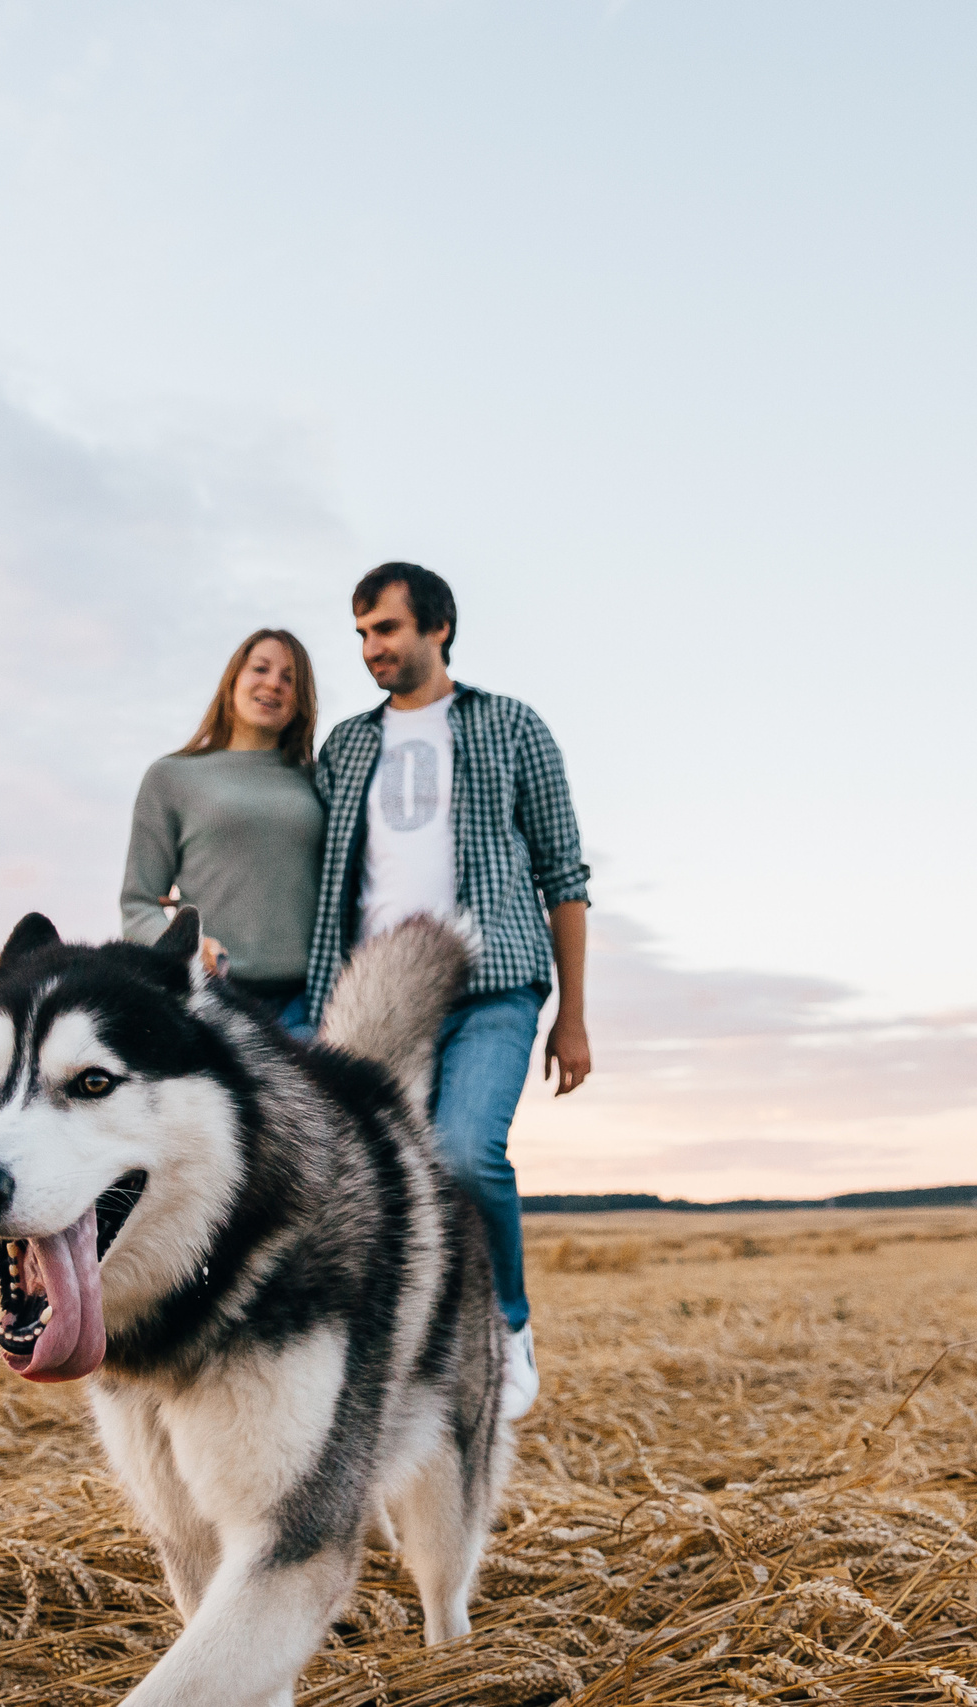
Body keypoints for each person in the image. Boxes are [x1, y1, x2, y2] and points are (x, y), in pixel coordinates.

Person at [306, 563, 589, 1421]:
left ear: (438, 628)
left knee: (465, 1153)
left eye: (385, 629)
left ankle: (506, 1328)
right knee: (379, 1184)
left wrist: (572, 1014)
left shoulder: (511, 726)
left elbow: (564, 870)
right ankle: (406, 1355)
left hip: (493, 978)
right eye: (360, 633)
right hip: (377, 994)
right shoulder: (348, 744)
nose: (369, 649)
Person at [121, 629, 324, 1028]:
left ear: (302, 700)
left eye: (289, 678)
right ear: (233, 679)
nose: (273, 684)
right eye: (260, 669)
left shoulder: (320, 780)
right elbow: (137, 904)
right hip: (210, 997)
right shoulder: (171, 776)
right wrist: (186, 949)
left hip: (310, 1002)